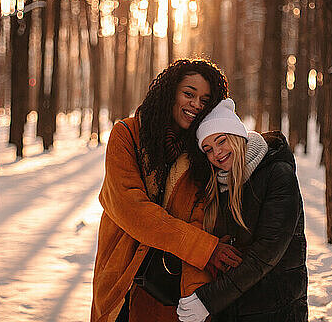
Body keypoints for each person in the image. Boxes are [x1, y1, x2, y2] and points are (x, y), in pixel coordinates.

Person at [90, 60, 242, 322]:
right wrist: (205, 249)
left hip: (166, 285)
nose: (196, 104)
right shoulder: (126, 135)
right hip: (122, 274)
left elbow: (199, 220)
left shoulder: (200, 153)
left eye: (204, 100)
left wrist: (198, 297)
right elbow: (132, 210)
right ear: (170, 92)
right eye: (189, 94)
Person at [177, 98, 308, 322]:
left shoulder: (277, 174)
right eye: (208, 149)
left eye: (221, 141)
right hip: (235, 307)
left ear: (237, 136)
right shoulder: (220, 183)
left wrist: (209, 299)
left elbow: (267, 252)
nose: (217, 153)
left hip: (276, 308)